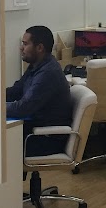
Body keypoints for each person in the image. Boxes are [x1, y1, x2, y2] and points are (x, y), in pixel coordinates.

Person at [6, 25, 73, 156]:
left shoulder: (48, 73)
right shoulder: (36, 66)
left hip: (46, 139)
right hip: (34, 129)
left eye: (25, 44)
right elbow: (15, 91)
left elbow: (23, 108)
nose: (21, 48)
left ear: (40, 48)